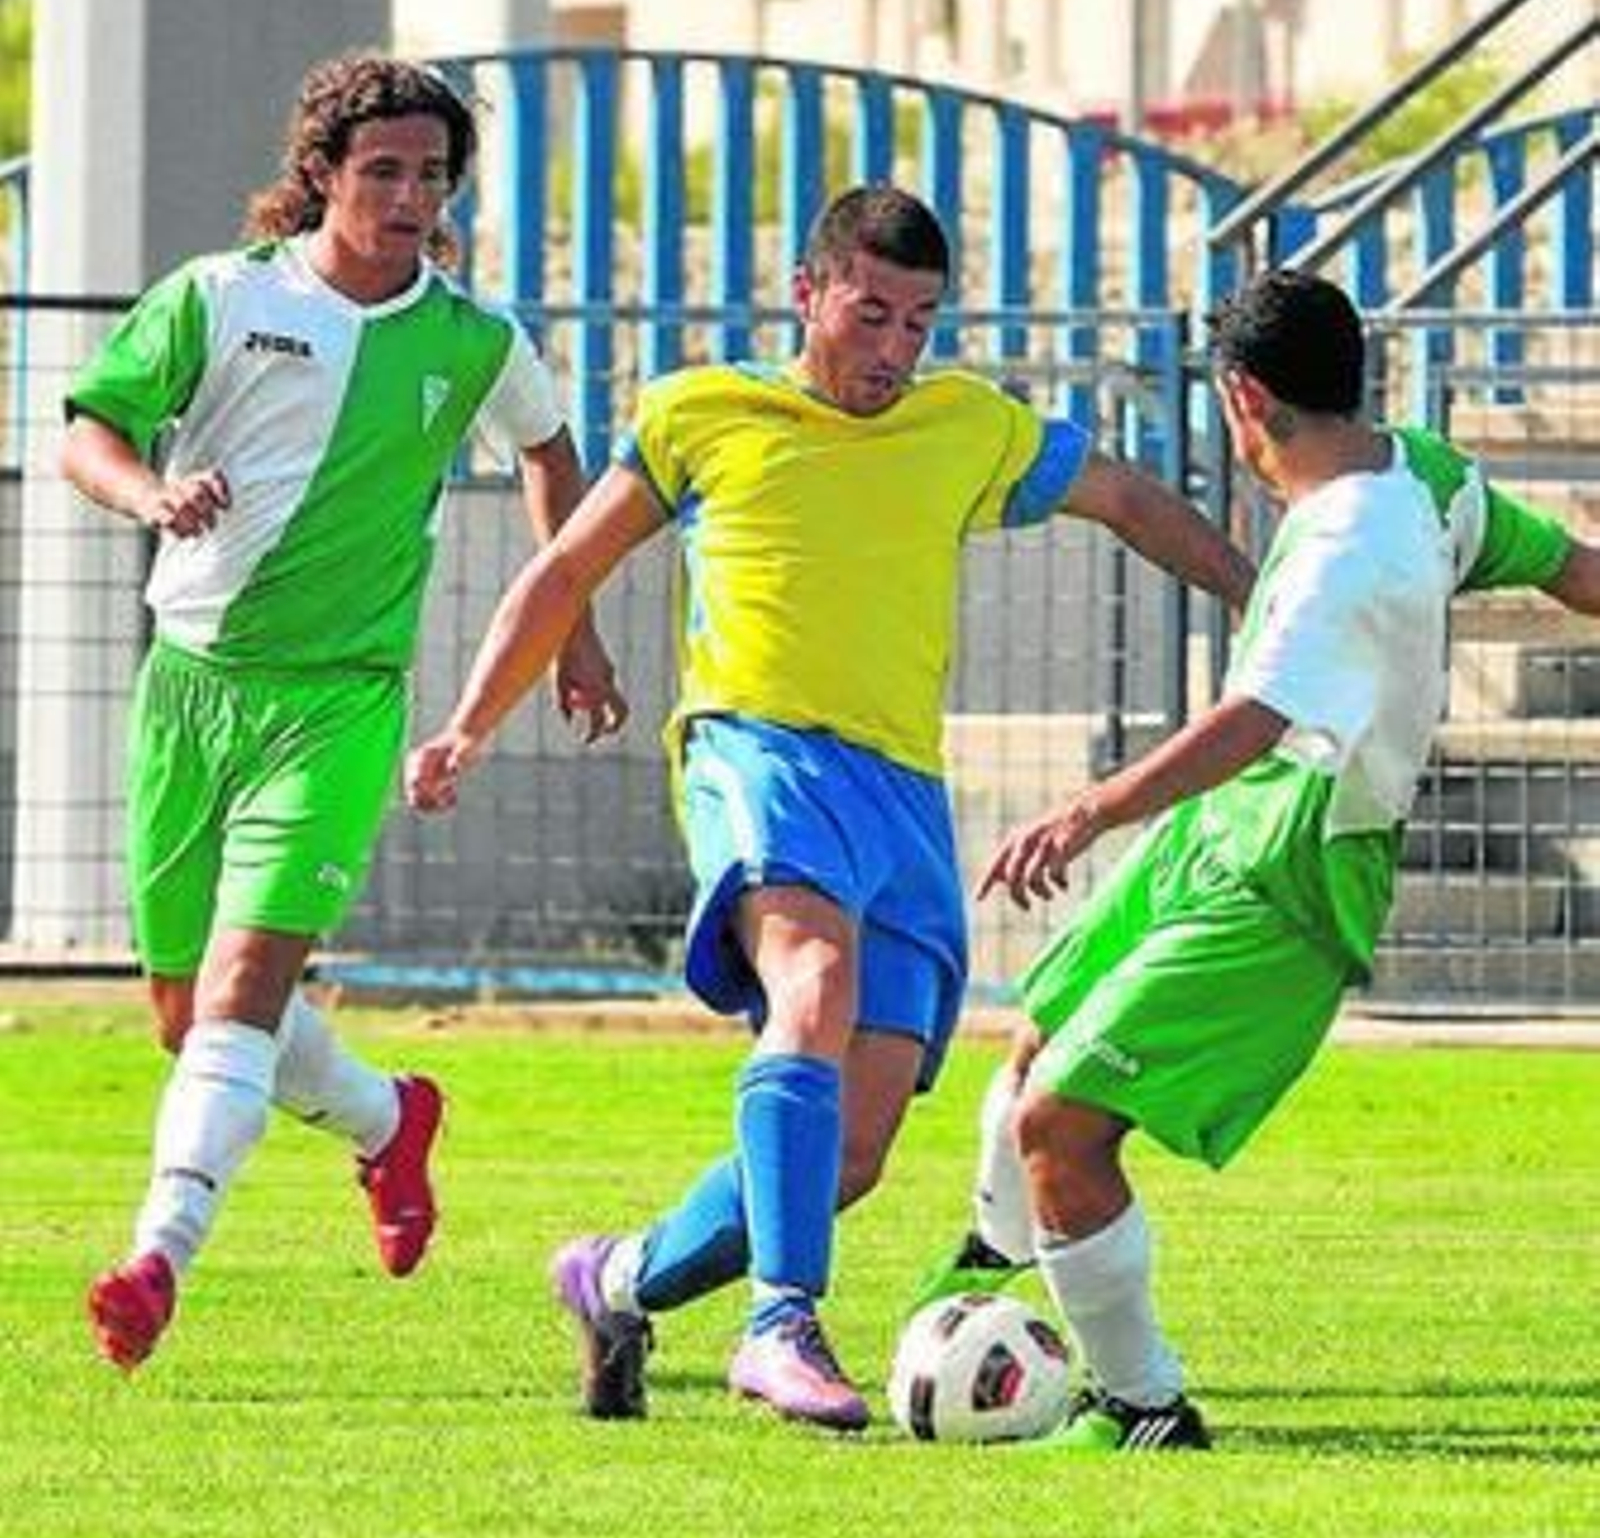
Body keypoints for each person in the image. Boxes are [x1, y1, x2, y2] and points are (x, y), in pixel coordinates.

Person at [406, 183, 1255, 1432]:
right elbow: (567, 564)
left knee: (849, 1153)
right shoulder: (704, 411)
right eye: (871, 314)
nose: (894, 350)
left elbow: (1126, 497)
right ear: (807, 295)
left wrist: (1263, 602)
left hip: (903, 795)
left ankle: (617, 1279)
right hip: (758, 753)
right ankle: (779, 1321)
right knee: (810, 984)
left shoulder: (967, 428)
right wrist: (470, 722)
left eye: (920, 322)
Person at [912, 267, 1600, 1451]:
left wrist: (1085, 812)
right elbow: (1567, 564)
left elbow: (1250, 721)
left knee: (1064, 1124)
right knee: (1039, 1029)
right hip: (1224, 830)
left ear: (1241, 397)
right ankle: (1000, 1261)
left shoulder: (1343, 543)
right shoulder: (1423, 474)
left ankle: (1140, 1405)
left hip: (1291, 868)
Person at [65, 51, 626, 1371]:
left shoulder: (475, 341)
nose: (409, 197)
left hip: (341, 701)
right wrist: (151, 496)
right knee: (184, 1015)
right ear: (322, 171)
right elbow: (86, 426)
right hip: (190, 684)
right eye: (383, 170)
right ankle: (386, 1121)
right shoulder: (221, 296)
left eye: (432, 176)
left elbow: (552, 453)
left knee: (246, 990)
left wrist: (578, 629)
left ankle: (157, 1259)